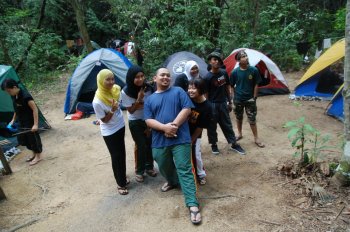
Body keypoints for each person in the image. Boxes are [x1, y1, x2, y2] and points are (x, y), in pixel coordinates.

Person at [144, 68, 201, 225]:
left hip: (180, 138)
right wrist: (164, 128)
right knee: (162, 163)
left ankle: (192, 204)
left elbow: (187, 109)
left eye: (168, 75)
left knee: (184, 168)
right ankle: (172, 181)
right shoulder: (149, 99)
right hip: (159, 140)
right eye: (162, 75)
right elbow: (148, 120)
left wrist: (173, 126)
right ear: (155, 78)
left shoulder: (178, 91)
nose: (166, 77)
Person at [92, 69, 129, 195]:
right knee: (116, 156)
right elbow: (105, 121)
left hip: (120, 126)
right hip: (109, 131)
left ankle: (123, 177)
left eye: (112, 78)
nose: (111, 82)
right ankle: (120, 184)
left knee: (122, 153)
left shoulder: (116, 90)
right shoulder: (97, 101)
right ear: (101, 81)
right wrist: (112, 110)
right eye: (107, 79)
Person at [204, 49, 245, 155]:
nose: (216, 61)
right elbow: (206, 94)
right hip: (212, 104)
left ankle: (234, 144)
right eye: (214, 59)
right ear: (210, 62)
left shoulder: (223, 72)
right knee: (212, 126)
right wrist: (207, 107)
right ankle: (214, 145)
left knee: (227, 124)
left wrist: (230, 101)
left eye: (218, 60)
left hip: (222, 102)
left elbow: (227, 87)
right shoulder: (207, 77)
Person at [121, 65, 157, 183]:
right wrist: (139, 99)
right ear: (131, 78)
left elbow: (152, 104)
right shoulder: (126, 92)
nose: (140, 79)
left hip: (148, 120)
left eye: (142, 76)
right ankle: (139, 171)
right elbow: (131, 110)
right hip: (135, 121)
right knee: (140, 145)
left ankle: (149, 167)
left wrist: (141, 104)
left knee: (149, 144)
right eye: (137, 77)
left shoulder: (148, 88)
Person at [1, 79, 43, 166]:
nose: (8, 93)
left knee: (33, 139)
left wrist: (35, 124)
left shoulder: (26, 96)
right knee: (24, 139)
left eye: (9, 91)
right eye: (7, 92)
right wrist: (13, 120)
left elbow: (35, 109)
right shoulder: (13, 95)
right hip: (21, 121)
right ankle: (33, 153)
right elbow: (16, 109)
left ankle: (38, 156)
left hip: (30, 122)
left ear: (15, 87)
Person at [230, 50, 265, 148]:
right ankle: (239, 133)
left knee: (252, 119)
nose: (245, 57)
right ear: (238, 60)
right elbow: (231, 86)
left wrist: (254, 97)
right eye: (242, 56)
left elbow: (256, 84)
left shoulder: (253, 70)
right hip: (238, 99)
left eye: (245, 55)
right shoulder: (234, 72)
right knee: (238, 117)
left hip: (250, 99)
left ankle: (256, 138)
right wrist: (233, 97)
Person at [188, 78, 212, 185]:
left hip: (195, 133)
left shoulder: (207, 107)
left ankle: (201, 174)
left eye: (194, 88)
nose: (190, 91)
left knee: (196, 153)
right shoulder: (188, 98)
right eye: (189, 88)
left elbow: (200, 127)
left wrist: (192, 139)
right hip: (184, 131)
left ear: (201, 89)